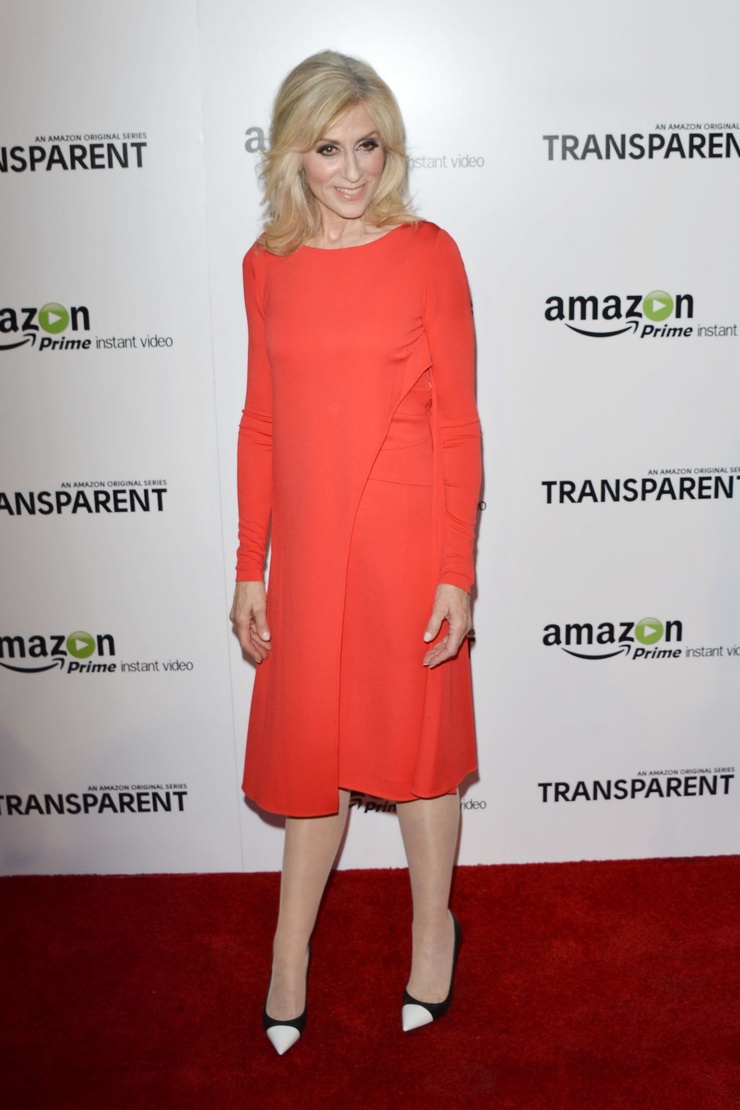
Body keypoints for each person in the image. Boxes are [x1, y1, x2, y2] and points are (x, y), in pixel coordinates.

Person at [230, 50, 482, 1056]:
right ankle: (288, 956)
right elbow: (260, 423)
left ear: (391, 149)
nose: (350, 170)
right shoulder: (266, 266)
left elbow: (458, 424)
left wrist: (455, 571)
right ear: (293, 154)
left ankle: (433, 931)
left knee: (416, 760)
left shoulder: (428, 253)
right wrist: (249, 565)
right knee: (314, 755)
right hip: (310, 547)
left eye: (367, 146)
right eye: (327, 148)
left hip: (405, 539)